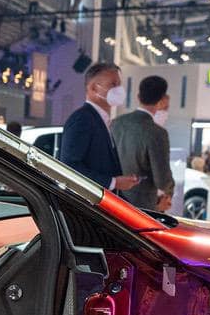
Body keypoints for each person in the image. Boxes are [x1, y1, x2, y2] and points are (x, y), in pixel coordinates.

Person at [57, 61, 138, 192]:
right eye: (113, 84)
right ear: (94, 88)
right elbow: (70, 166)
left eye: (119, 84)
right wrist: (113, 182)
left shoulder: (100, 119)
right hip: (87, 200)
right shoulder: (82, 119)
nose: (119, 89)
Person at [109, 74, 175, 213]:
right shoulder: (157, 133)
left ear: (138, 97)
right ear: (162, 100)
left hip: (113, 200)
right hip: (143, 206)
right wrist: (169, 190)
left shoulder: (116, 123)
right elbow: (162, 180)